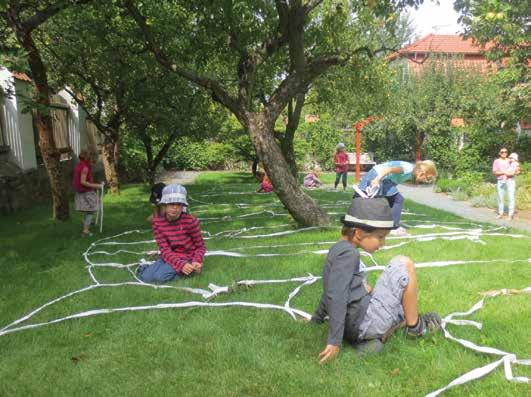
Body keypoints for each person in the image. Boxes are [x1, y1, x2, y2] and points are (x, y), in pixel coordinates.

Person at [313, 198, 442, 364]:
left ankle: (375, 339)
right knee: (404, 263)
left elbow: (330, 289)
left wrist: (316, 319)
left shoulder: (337, 249)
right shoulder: (349, 255)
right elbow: (336, 296)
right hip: (364, 323)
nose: (383, 243)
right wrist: (334, 342)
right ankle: (415, 328)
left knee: (398, 306)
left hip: (351, 328)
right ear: (358, 233)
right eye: (380, 237)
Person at [137, 184, 206, 283]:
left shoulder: (191, 221)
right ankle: (152, 269)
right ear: (164, 204)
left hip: (187, 257)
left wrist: (196, 260)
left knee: (160, 278)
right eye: (171, 204)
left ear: (183, 205)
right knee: (145, 277)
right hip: (168, 256)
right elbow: (164, 250)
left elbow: (200, 247)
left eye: (179, 204)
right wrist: (179, 264)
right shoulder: (157, 223)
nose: (175, 207)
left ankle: (191, 271)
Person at [353, 160, 437, 234]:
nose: (424, 181)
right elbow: (388, 169)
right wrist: (376, 179)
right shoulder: (407, 169)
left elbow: (396, 178)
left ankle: (392, 223)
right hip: (378, 175)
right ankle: (393, 227)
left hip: (384, 179)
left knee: (392, 199)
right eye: (425, 179)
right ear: (421, 172)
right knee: (397, 199)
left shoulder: (411, 172)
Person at [72, 148, 104, 237]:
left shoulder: (80, 165)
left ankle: (87, 222)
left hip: (82, 192)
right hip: (86, 192)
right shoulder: (85, 167)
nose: (95, 161)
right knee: (92, 210)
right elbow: (83, 182)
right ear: (90, 158)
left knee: (89, 209)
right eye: (94, 159)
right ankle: (85, 231)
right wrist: (97, 186)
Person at [492, 148, 517, 220]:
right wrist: (504, 172)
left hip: (510, 181)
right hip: (500, 181)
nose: (504, 153)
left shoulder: (510, 160)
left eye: (506, 152)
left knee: (511, 197)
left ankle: (510, 215)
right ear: (499, 153)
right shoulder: (496, 161)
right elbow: (494, 172)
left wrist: (515, 172)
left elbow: (517, 168)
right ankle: (500, 213)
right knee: (500, 198)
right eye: (502, 152)